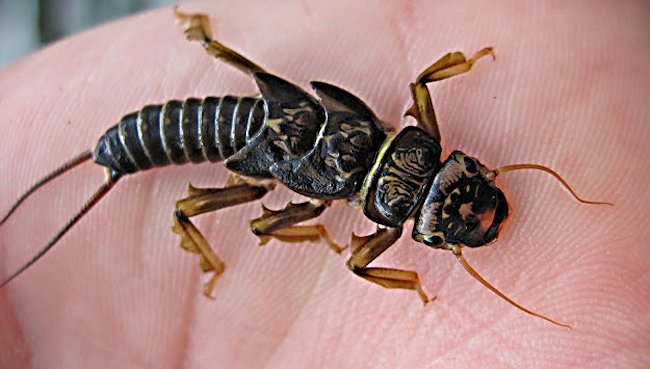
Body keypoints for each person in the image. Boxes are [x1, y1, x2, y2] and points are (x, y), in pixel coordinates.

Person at [1, 2, 648, 368]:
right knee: (247, 215)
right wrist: (394, 267)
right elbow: (360, 260)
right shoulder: (370, 227)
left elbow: (423, 80)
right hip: (212, 137)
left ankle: (198, 55)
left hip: (222, 128)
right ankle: (169, 188)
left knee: (247, 209)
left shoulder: (407, 120)